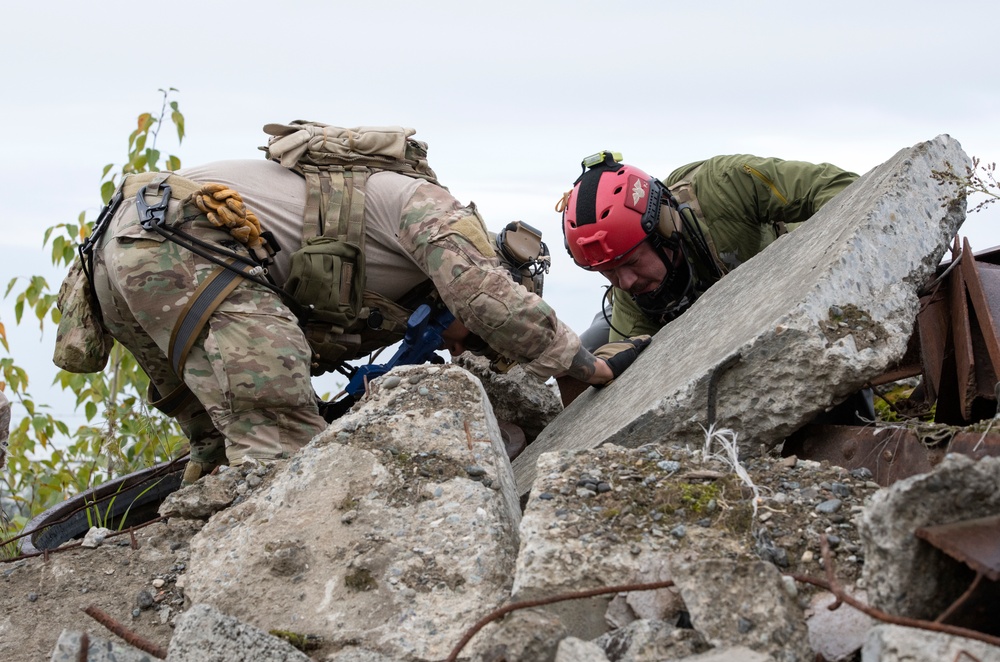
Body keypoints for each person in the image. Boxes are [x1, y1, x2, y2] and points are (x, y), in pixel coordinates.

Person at [81, 149, 649, 483]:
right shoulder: (434, 213)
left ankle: (183, 530)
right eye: (473, 342)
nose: (464, 352)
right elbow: (484, 296)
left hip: (119, 253)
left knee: (220, 448)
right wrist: (582, 365)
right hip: (183, 239)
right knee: (288, 464)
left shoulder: (381, 272)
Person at [557, 150, 875, 423]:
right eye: (608, 273)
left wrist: (818, 271)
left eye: (631, 262)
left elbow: (842, 188)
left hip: (799, 288)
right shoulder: (632, 297)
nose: (624, 283)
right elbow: (629, 395)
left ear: (663, 228)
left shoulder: (724, 184)